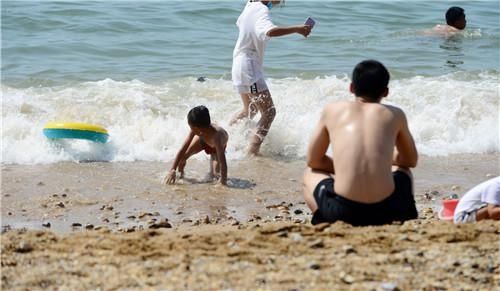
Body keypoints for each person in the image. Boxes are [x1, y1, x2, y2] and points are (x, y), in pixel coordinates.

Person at [302, 60, 419, 226]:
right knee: (403, 170)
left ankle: (323, 219)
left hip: (343, 212)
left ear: (351, 88)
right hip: (386, 211)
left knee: (310, 172)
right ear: (385, 92)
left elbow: (314, 160)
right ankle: (403, 213)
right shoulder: (395, 114)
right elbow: (410, 161)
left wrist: (346, 167)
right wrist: (384, 161)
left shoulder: (333, 110)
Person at [230, 0, 312, 155]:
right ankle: (251, 151)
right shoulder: (261, 10)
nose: (280, 2)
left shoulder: (250, 6)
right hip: (249, 70)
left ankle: (225, 139)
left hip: (239, 66)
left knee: (250, 109)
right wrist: (298, 29)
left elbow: (242, 23)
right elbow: (269, 31)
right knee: (269, 112)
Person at [164, 105, 229, 186]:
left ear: (197, 128)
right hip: (203, 140)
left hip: (216, 149)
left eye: (191, 127)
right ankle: (180, 176)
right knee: (183, 157)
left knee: (215, 175)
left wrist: (223, 182)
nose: (191, 129)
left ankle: (219, 178)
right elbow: (182, 149)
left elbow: (223, 162)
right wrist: (172, 169)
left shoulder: (217, 136)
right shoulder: (196, 131)